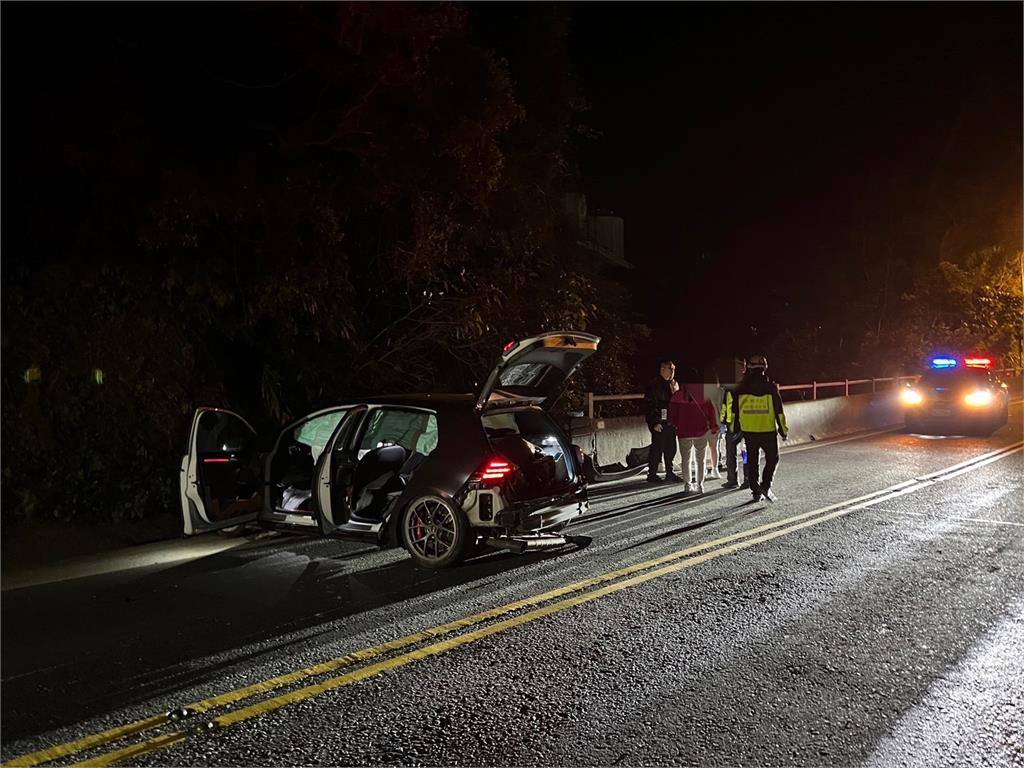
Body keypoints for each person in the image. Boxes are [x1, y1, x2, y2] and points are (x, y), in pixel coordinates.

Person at [731, 354, 788, 502]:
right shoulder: (770, 387)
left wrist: (735, 430)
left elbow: (734, 411)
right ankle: (765, 485)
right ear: (764, 368)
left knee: (752, 461)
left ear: (749, 368)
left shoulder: (740, 389)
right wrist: (783, 430)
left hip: (749, 431)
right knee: (773, 459)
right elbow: (779, 412)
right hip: (767, 430)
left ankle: (755, 491)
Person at [670, 379, 720, 493]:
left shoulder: (676, 396)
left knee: (686, 460)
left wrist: (676, 425)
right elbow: (711, 413)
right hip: (700, 431)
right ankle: (700, 485)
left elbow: (672, 416)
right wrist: (713, 427)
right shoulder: (704, 396)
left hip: (683, 432)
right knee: (700, 460)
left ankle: (687, 485)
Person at [643, 359, 681, 483]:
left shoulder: (673, 384)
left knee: (671, 448)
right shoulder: (654, 385)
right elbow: (649, 405)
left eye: (673, 369)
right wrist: (654, 422)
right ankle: (652, 473)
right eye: (670, 369)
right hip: (660, 421)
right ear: (662, 369)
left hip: (671, 422)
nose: (672, 371)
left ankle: (670, 472)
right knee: (657, 448)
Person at [719, 362, 750, 490]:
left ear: (744, 368)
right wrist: (722, 422)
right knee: (730, 453)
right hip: (733, 425)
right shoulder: (729, 386)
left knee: (745, 453)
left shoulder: (749, 384)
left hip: (747, 425)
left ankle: (748, 479)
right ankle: (732, 480)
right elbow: (725, 405)